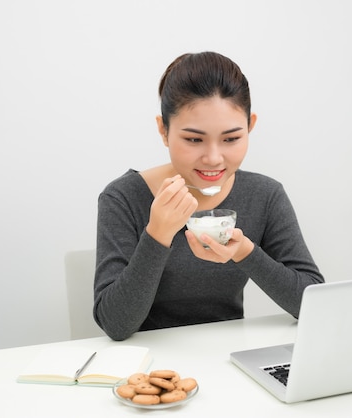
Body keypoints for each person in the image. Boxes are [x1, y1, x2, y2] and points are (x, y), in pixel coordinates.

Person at [94, 51, 324, 341]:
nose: (214, 158)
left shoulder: (264, 195)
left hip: (229, 359)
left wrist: (244, 253)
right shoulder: (123, 198)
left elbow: (311, 302)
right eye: (193, 139)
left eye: (231, 139)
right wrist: (157, 233)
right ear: (163, 130)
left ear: (250, 126)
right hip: (148, 368)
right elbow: (115, 325)